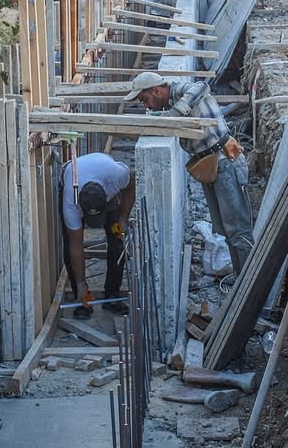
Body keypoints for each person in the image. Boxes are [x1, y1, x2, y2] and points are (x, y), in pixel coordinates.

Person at [124, 71, 253, 275]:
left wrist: (177, 112)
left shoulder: (182, 91)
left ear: (157, 91)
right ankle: (241, 280)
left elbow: (201, 86)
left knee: (238, 231)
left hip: (225, 163)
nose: (146, 106)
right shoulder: (168, 103)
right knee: (226, 231)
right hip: (210, 166)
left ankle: (249, 285)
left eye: (145, 99)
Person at [59, 152, 136, 319]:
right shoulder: (71, 201)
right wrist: (81, 285)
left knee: (117, 239)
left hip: (104, 187)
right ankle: (82, 299)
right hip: (73, 178)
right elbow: (76, 246)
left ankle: (112, 296)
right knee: (70, 245)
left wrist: (123, 218)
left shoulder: (116, 176)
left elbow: (131, 186)